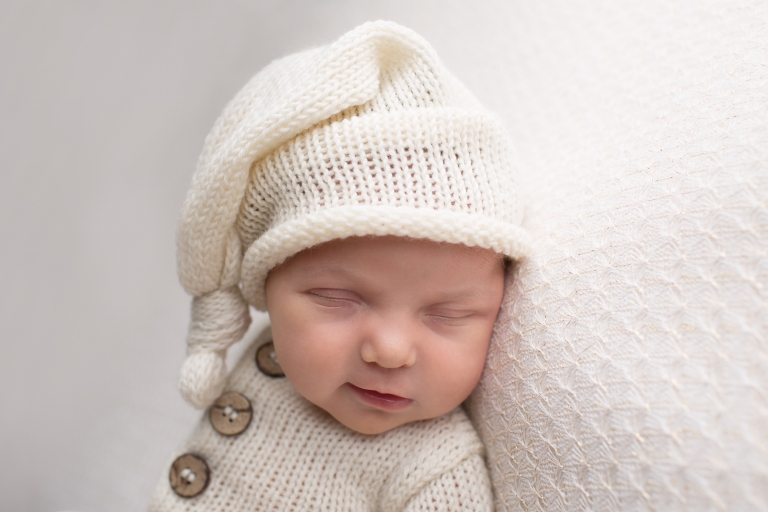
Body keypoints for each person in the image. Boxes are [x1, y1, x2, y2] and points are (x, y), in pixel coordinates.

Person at [149, 20, 531, 511]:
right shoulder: (273, 364)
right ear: (268, 285)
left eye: (448, 315)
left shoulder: (434, 473)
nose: (390, 351)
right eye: (337, 300)